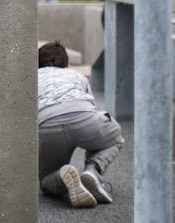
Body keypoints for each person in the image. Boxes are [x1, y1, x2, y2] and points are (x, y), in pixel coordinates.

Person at [38, 41, 123, 208]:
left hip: (48, 125)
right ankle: (92, 170)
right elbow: (91, 107)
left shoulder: (35, 77)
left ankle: (63, 176)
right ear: (67, 65)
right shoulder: (77, 76)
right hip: (83, 118)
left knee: (46, 181)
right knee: (115, 138)